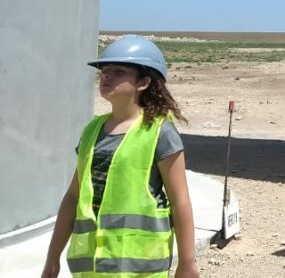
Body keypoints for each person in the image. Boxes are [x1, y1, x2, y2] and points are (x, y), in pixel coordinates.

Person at [41, 35, 199, 277]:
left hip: (139, 269)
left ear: (143, 82)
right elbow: (73, 196)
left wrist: (187, 263)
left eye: (118, 71)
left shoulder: (159, 132)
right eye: (104, 71)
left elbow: (180, 201)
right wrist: (52, 258)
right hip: (92, 269)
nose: (106, 76)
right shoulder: (92, 130)